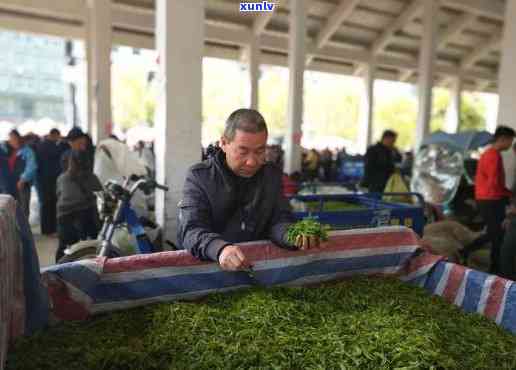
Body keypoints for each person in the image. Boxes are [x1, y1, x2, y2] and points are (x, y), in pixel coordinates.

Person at [177, 108, 319, 271]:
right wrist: (219, 249)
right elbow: (191, 230)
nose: (252, 162)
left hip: (255, 267)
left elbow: (279, 219)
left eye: (260, 151)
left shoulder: (271, 175)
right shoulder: (200, 177)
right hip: (209, 269)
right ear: (223, 143)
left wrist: (291, 236)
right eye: (242, 151)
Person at [475, 126, 515, 273]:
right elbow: (494, 182)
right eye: (511, 141)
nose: (511, 145)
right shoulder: (493, 155)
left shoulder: (489, 153)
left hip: (487, 198)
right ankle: (496, 269)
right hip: (491, 199)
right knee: (497, 236)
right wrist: (507, 196)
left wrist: (507, 193)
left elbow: (495, 182)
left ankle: (494, 267)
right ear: (503, 139)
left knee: (495, 233)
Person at [55, 150, 102, 262]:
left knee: (63, 246)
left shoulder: (62, 178)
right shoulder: (91, 178)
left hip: (65, 217)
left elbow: (58, 195)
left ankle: (57, 269)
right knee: (95, 243)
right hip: (83, 217)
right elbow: (99, 194)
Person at [0, 130, 38, 217]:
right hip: (7, 185)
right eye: (10, 139)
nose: (12, 141)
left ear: (19, 138)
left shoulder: (27, 151)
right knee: (7, 209)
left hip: (22, 185)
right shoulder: (5, 151)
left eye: (14, 138)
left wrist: (23, 179)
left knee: (22, 209)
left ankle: (23, 230)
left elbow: (32, 166)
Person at [35, 129, 66, 235]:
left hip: (45, 179)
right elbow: (56, 153)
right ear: (54, 135)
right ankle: (49, 229)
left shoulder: (42, 144)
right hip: (47, 179)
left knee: (48, 204)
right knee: (49, 204)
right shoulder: (48, 145)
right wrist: (61, 143)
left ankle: (48, 229)